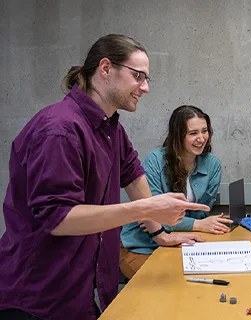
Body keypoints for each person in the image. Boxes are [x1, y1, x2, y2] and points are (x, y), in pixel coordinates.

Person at [0, 34, 210, 320]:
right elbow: (59, 218)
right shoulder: (60, 130)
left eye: (147, 78)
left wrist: (160, 234)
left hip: (82, 292)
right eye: (138, 76)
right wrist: (146, 209)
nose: (145, 88)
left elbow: (134, 178)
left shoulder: (111, 128)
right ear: (106, 68)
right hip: (39, 297)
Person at [120, 105, 230, 279]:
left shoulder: (212, 164)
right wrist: (197, 225)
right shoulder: (155, 160)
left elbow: (201, 213)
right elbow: (155, 215)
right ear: (178, 136)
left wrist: (179, 223)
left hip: (182, 242)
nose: (201, 138)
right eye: (193, 133)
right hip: (141, 245)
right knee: (162, 290)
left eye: (205, 131)